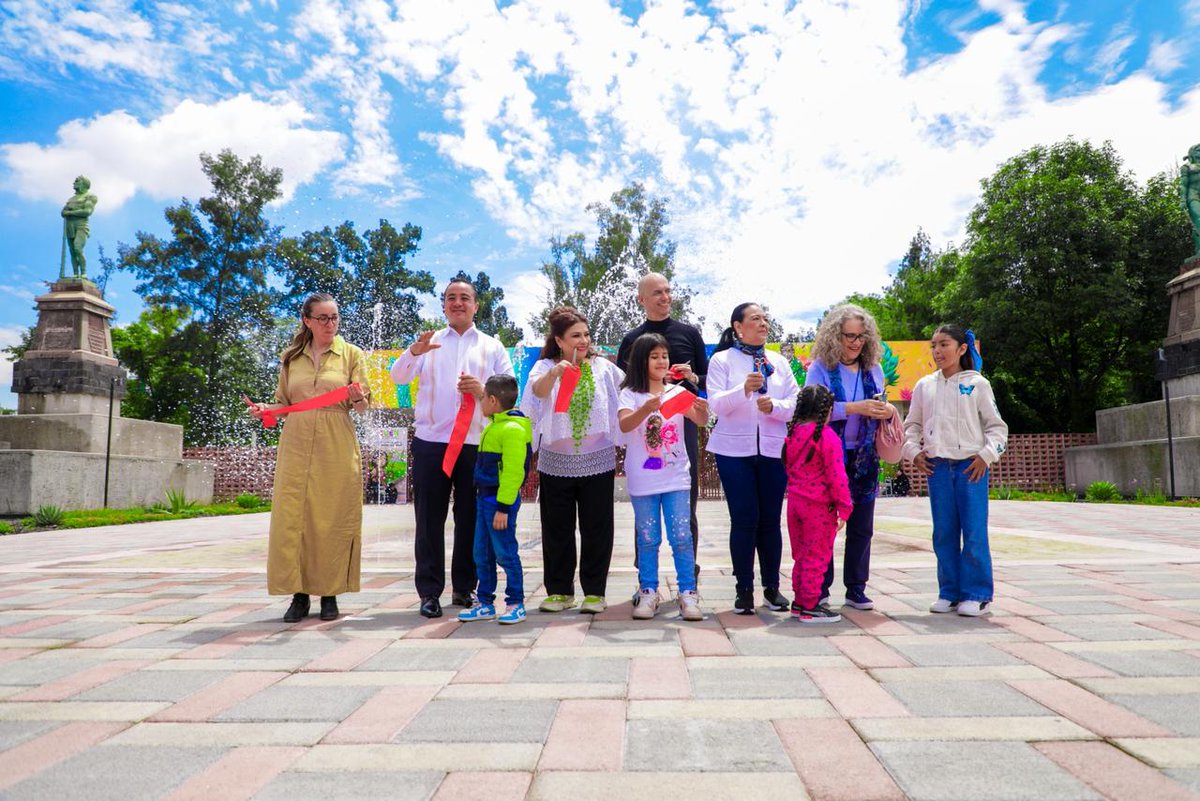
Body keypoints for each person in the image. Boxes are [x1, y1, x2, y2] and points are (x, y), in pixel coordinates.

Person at [389, 279, 514, 618]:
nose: (458, 303)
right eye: (451, 298)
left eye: (465, 298)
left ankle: (465, 589)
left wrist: (482, 389)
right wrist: (414, 352)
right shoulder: (428, 343)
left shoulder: (492, 346)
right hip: (432, 443)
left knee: (471, 519)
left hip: (477, 444)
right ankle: (429, 593)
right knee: (429, 519)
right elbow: (397, 377)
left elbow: (508, 393)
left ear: (476, 305)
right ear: (443, 305)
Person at [249, 293, 370, 622]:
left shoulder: (351, 355)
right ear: (307, 321)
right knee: (294, 517)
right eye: (323, 318)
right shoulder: (291, 359)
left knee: (330, 517)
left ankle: (329, 595)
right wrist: (264, 410)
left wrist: (358, 397)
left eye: (335, 318)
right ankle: (298, 595)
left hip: (336, 442)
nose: (330, 324)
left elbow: (363, 408)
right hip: (297, 443)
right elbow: (283, 405)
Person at [522, 307, 623, 614]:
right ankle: (559, 592)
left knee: (597, 527)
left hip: (598, 459)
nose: (583, 340)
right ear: (559, 340)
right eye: (575, 335)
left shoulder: (602, 366)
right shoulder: (545, 365)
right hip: (556, 461)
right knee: (557, 528)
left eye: (586, 334)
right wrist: (555, 373)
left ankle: (594, 591)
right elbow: (535, 396)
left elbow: (627, 392)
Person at [903, 325, 1008, 617]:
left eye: (944, 344)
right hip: (937, 469)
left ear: (962, 348)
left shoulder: (978, 384)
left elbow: (997, 428)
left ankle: (977, 594)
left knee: (974, 531)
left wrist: (986, 456)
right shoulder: (925, 386)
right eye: (934, 346)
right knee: (944, 532)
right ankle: (948, 592)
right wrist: (913, 453)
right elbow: (910, 426)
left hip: (970, 468)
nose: (937, 351)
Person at [706, 302, 798, 615]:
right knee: (744, 519)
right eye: (755, 318)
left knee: (771, 521)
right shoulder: (721, 360)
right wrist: (743, 389)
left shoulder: (779, 362)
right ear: (738, 326)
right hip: (733, 451)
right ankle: (743, 588)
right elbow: (716, 405)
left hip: (773, 449)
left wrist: (776, 407)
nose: (763, 323)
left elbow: (795, 403)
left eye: (765, 319)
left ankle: (772, 588)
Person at [805, 304, 897, 611]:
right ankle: (820, 587)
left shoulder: (874, 368)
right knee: (826, 524)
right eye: (848, 336)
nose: (855, 342)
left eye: (860, 336)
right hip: (829, 456)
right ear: (835, 336)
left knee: (862, 525)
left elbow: (881, 406)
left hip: (865, 456)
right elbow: (812, 411)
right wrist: (855, 408)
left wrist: (884, 410)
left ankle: (857, 588)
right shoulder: (820, 367)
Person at [617, 273, 709, 574]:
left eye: (668, 291)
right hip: (644, 426)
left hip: (682, 423)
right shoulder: (631, 340)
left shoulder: (689, 333)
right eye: (657, 292)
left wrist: (691, 379)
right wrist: (653, 382)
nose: (665, 297)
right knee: (644, 501)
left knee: (686, 494)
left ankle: (689, 571)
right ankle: (644, 573)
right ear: (641, 299)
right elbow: (623, 385)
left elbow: (708, 380)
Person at [618, 333, 710, 621]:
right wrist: (645, 408)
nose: (661, 361)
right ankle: (648, 591)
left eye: (664, 356)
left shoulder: (677, 392)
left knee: (681, 536)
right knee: (647, 537)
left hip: (677, 477)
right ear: (641, 360)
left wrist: (703, 410)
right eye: (654, 356)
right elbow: (624, 426)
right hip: (643, 479)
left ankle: (688, 594)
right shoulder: (630, 394)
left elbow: (701, 420)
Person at [458, 375, 532, 625]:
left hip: (499, 502)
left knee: (506, 553)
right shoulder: (494, 425)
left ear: (492, 400)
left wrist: (503, 507)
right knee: (482, 552)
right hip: (485, 499)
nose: (480, 404)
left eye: (483, 399)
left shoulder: (512, 429)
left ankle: (516, 602)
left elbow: (514, 472)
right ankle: (486, 603)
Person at [783, 385, 853, 624]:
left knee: (801, 554)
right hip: (819, 507)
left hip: (795, 504)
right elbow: (837, 475)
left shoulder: (792, 435)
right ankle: (811, 605)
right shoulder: (826, 437)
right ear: (828, 409)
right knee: (818, 554)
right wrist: (845, 506)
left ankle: (800, 601)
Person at [60, 175, 98, 279]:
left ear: (84, 183)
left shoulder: (90, 197)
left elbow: (87, 212)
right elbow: (63, 212)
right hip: (70, 226)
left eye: (77, 181)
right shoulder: (71, 199)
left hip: (81, 225)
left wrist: (70, 212)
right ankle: (76, 273)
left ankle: (84, 272)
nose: (74, 183)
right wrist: (68, 212)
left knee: (78, 248)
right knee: (72, 250)